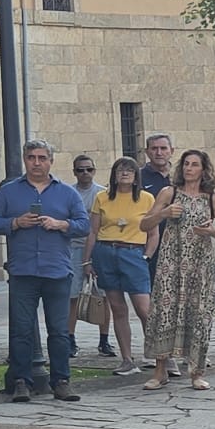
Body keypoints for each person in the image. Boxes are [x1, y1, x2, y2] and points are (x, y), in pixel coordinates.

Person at [0, 141, 89, 403]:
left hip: (57, 270)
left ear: (51, 161)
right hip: (24, 270)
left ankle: (61, 381)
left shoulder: (66, 193)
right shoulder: (10, 192)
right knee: (21, 329)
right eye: (31, 157)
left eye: (42, 157)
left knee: (59, 330)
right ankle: (21, 381)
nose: (36, 162)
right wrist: (15, 223)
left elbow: (84, 225)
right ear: (25, 160)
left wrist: (61, 224)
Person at [142, 149, 215, 392]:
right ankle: (160, 371)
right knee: (165, 312)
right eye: (186, 164)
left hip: (199, 266)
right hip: (171, 261)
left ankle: (197, 372)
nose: (189, 168)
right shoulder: (168, 193)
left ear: (204, 169)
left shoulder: (213, 198)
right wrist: (163, 213)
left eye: (194, 165)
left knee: (198, 314)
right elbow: (144, 224)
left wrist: (211, 231)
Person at [82, 157, 153, 377]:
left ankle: (160, 355)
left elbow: (154, 231)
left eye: (129, 170)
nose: (124, 173)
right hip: (106, 251)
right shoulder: (101, 197)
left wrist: (147, 256)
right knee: (118, 308)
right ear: (113, 174)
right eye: (120, 169)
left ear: (136, 176)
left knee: (144, 308)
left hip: (133, 252)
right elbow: (93, 231)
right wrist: (87, 260)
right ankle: (127, 359)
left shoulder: (146, 198)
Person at [67, 155, 113, 357]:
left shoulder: (103, 193)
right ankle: (70, 338)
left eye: (88, 169)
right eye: (80, 170)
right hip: (75, 248)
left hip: (99, 248)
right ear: (74, 172)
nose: (84, 173)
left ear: (94, 171)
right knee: (73, 295)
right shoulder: (69, 193)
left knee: (104, 296)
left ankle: (104, 340)